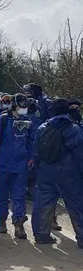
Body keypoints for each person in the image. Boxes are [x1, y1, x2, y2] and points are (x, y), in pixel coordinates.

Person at [31, 99, 83, 247]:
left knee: (42, 203)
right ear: (67, 111)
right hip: (68, 172)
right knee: (76, 204)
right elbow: (80, 153)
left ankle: (41, 235)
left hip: (45, 171)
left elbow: (36, 152)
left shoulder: (42, 127)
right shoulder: (72, 128)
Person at [0, 94, 35, 239]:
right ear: (14, 105)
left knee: (19, 197)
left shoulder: (27, 121)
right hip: (2, 165)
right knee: (2, 196)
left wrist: (31, 158)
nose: (24, 109)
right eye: (21, 106)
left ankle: (19, 225)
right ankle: (1, 221)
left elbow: (31, 141)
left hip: (21, 165)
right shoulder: (2, 120)